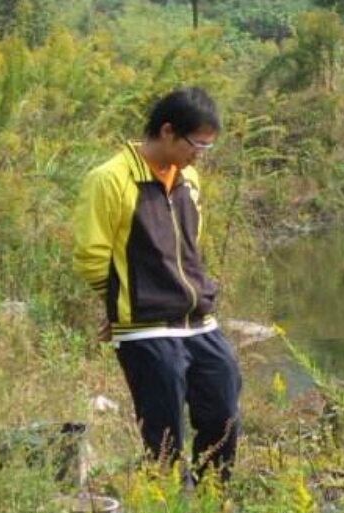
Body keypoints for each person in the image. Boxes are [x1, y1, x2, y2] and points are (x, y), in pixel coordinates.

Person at [73, 87, 241, 485]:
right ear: (167, 132)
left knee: (225, 414)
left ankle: (213, 512)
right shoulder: (110, 179)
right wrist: (120, 303)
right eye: (196, 144)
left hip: (199, 322)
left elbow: (191, 245)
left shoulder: (190, 180)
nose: (200, 154)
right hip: (147, 328)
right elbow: (90, 254)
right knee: (165, 439)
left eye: (207, 146)